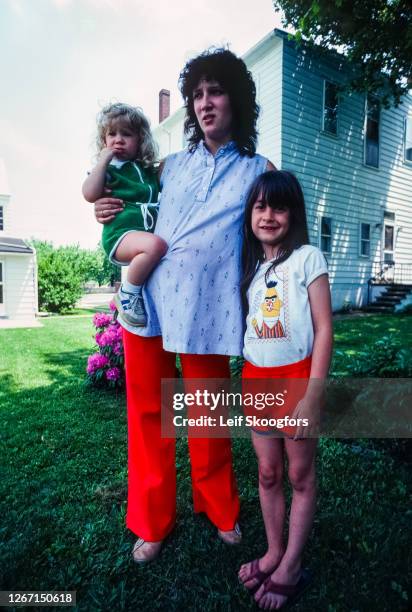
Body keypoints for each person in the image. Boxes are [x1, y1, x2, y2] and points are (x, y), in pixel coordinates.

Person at [94, 48, 276, 563]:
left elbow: (273, 231)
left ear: (236, 99)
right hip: (146, 308)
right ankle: (152, 521)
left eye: (214, 91)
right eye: (196, 95)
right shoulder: (167, 167)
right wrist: (107, 207)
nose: (204, 103)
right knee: (149, 416)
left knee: (206, 416)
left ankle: (218, 508)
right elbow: (125, 202)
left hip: (208, 310)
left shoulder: (258, 171)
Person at [238, 171, 333, 609]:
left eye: (278, 207)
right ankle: (274, 550)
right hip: (257, 380)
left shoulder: (308, 258)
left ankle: (292, 563)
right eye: (260, 207)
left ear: (292, 213)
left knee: (299, 474)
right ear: (250, 216)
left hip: (298, 379)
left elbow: (324, 328)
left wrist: (315, 393)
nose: (269, 216)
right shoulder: (252, 269)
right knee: (268, 473)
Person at [83, 103, 167, 326]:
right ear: (104, 141)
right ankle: (128, 294)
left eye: (126, 134)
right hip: (119, 234)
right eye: (112, 134)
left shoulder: (148, 170)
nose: (118, 139)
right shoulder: (109, 169)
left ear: (140, 140)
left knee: (155, 246)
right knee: (156, 246)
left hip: (140, 235)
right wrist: (102, 161)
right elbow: (89, 193)